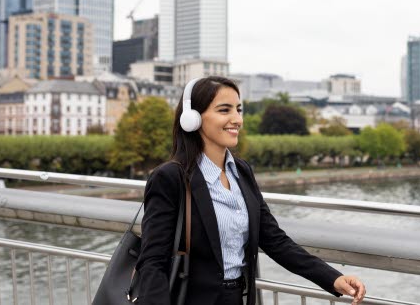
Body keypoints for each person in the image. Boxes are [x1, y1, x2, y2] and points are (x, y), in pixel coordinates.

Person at [135, 76, 366, 305]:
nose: (237, 119)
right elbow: (152, 261)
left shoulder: (242, 171)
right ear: (192, 118)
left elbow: (274, 240)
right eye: (224, 110)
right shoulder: (170, 178)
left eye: (239, 109)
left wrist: (333, 278)